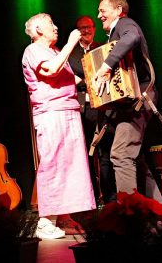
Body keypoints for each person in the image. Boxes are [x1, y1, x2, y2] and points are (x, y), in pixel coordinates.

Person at [21, 13, 96, 239]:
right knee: (54, 163)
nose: (56, 27)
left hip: (68, 110)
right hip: (52, 113)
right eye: (51, 24)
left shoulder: (53, 51)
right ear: (38, 30)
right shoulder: (33, 51)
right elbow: (51, 70)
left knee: (71, 165)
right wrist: (72, 42)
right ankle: (45, 222)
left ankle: (63, 217)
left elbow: (69, 79)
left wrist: (95, 77)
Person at [94, 0, 162, 204]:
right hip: (131, 103)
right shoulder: (114, 33)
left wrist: (106, 66)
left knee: (121, 154)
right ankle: (158, 215)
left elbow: (132, 37)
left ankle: (129, 216)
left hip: (140, 100)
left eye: (102, 10)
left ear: (118, 9)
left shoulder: (125, 23)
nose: (99, 15)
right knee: (136, 159)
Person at [68, 16, 117, 205]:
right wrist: (87, 78)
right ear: (77, 31)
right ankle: (92, 197)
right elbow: (76, 69)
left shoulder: (103, 48)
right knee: (85, 152)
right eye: (82, 28)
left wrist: (82, 78)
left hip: (103, 106)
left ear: (94, 29)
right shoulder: (71, 51)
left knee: (106, 152)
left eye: (88, 27)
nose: (86, 31)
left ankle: (111, 197)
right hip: (83, 108)